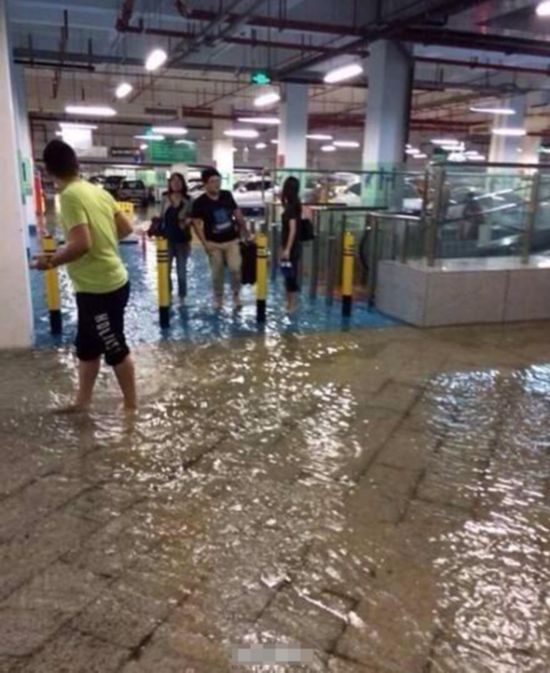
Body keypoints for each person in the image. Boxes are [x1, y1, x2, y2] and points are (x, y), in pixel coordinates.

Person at [31, 140, 137, 411]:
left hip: (101, 288)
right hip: (104, 283)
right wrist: (103, 241)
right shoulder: (97, 191)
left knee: (114, 347)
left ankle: (131, 408)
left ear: (48, 170)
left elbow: (82, 244)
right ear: (76, 164)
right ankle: (82, 402)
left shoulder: (69, 197)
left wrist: (51, 261)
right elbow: (126, 228)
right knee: (88, 347)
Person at [191, 167, 249, 311]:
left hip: (231, 240)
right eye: (212, 181)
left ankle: (236, 295)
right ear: (205, 184)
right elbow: (197, 225)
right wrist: (205, 244)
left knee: (235, 268)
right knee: (217, 273)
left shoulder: (226, 195)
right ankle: (219, 297)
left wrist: (244, 229)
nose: (216, 184)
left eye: (218, 181)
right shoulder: (200, 202)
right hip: (213, 243)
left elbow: (237, 213)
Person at [159, 172, 192, 304]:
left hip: (183, 241)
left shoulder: (189, 200)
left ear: (183, 183)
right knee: (165, 271)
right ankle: (169, 295)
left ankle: (182, 298)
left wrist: (188, 220)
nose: (176, 183)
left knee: (182, 273)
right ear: (170, 184)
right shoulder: (165, 198)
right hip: (167, 240)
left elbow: (194, 217)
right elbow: (161, 217)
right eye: (173, 181)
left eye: (179, 181)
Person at [281, 176, 302, 314]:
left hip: (291, 248)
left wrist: (287, 249)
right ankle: (289, 302)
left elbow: (293, 229)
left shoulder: (291, 208)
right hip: (290, 246)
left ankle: (293, 304)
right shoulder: (294, 205)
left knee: (290, 275)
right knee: (287, 274)